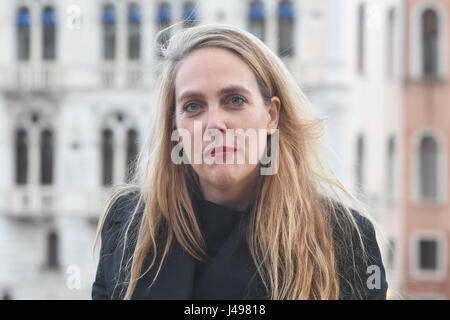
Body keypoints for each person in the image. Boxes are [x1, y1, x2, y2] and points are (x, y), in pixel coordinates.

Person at [92, 23, 388, 300]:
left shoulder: (345, 240)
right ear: (176, 130)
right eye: (193, 106)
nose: (214, 124)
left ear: (271, 115)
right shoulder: (127, 226)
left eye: (234, 100)